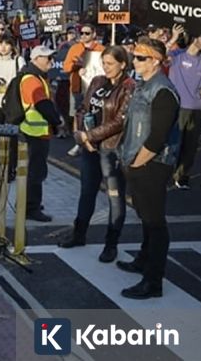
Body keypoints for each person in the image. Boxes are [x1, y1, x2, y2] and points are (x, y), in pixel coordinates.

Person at [59, 46, 135, 262]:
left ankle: (111, 243)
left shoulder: (129, 87)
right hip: (89, 145)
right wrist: (81, 133)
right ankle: (79, 233)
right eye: (103, 63)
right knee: (87, 191)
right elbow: (83, 108)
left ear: (122, 64)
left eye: (110, 63)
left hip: (111, 148)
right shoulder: (98, 81)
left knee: (115, 197)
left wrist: (89, 135)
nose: (106, 67)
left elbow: (119, 121)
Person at [117, 38, 180, 299]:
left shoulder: (162, 90)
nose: (135, 61)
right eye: (135, 56)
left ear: (156, 61)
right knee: (145, 217)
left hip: (152, 164)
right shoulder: (144, 85)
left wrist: (137, 163)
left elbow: (157, 137)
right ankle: (143, 260)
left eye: (141, 58)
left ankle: (153, 282)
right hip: (138, 161)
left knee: (155, 223)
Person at [19, 45, 63, 222]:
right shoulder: (32, 79)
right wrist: (57, 122)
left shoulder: (37, 77)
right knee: (36, 172)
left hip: (37, 131)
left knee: (35, 170)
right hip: (34, 132)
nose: (51, 62)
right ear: (36, 60)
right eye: (48, 58)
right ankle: (31, 207)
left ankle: (30, 202)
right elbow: (43, 104)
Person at [167, 30, 201, 190]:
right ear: (194, 39)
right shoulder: (177, 55)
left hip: (196, 108)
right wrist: (173, 37)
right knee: (173, 144)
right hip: (178, 107)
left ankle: (182, 176)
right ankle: (167, 174)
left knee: (191, 146)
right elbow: (159, 55)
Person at [0, 34, 25, 181]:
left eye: (7, 44)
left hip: (12, 104)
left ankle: (11, 169)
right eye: (1, 44)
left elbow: (22, 80)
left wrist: (9, 88)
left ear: (12, 46)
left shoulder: (18, 61)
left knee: (11, 137)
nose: (3, 47)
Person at [63, 24, 105, 157]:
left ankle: (93, 140)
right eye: (81, 33)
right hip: (78, 88)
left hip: (96, 90)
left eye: (87, 33)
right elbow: (66, 67)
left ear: (94, 34)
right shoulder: (75, 48)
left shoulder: (101, 49)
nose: (83, 36)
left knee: (95, 115)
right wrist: (77, 66)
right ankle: (77, 143)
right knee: (77, 115)